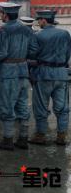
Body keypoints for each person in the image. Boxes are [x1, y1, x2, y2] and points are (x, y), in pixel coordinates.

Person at [0, 2, 38, 151]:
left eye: (1, 13)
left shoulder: (3, 31)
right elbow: (34, 49)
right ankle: (23, 138)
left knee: (7, 105)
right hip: (23, 70)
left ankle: (8, 139)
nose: (1, 16)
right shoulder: (27, 29)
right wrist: (21, 56)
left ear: (5, 15)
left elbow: (1, 53)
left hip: (8, 73)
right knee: (22, 105)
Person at [29, 10, 71, 146]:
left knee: (41, 106)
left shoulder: (38, 35)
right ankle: (62, 136)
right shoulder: (65, 34)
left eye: (39, 20)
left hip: (43, 73)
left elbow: (33, 54)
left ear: (44, 20)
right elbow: (67, 55)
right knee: (62, 107)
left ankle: (40, 135)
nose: (38, 22)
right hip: (61, 74)